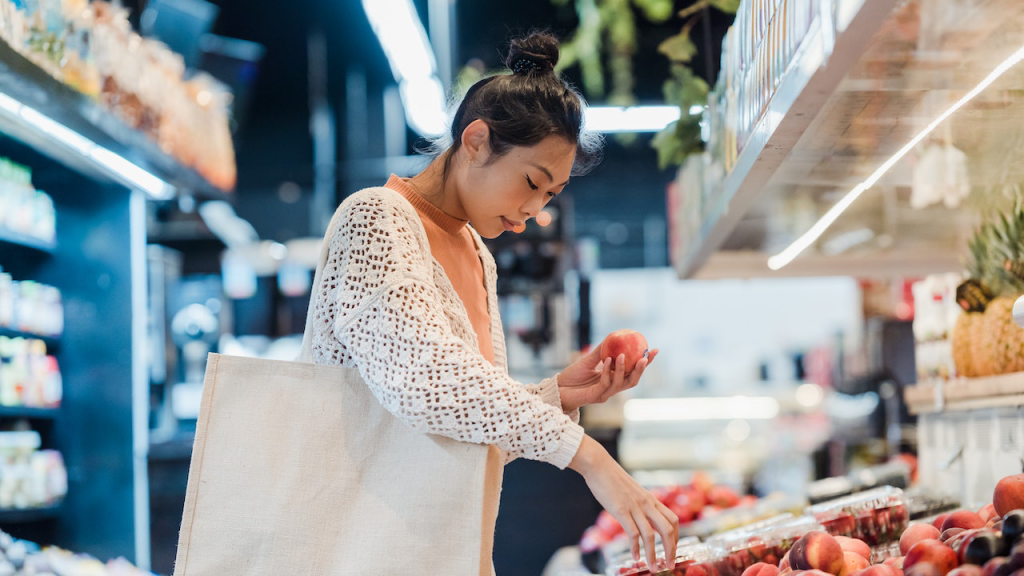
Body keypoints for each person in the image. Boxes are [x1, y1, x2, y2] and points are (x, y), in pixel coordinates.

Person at [310, 30, 679, 572]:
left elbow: (457, 435)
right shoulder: (376, 219)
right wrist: (589, 457)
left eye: (549, 194)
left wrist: (559, 394)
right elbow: (423, 380)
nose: (533, 208)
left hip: (444, 553)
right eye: (532, 181)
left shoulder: (477, 252)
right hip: (359, 554)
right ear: (476, 140)